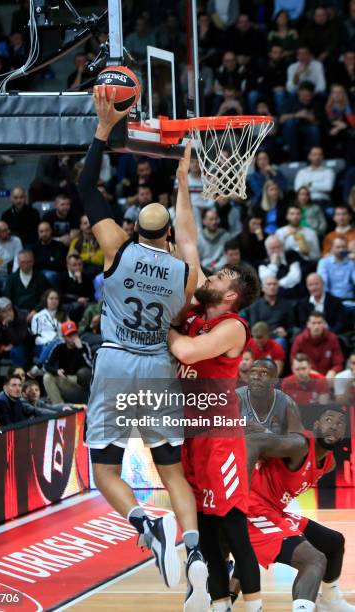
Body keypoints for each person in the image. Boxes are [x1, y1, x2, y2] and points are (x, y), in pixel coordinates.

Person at [79, 87, 210, 609]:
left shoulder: (116, 246)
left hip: (115, 361)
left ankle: (145, 526)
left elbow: (87, 185)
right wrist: (184, 184)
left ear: (135, 228)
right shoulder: (185, 271)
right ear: (168, 239)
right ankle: (195, 555)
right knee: (171, 471)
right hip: (157, 366)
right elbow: (192, 242)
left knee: (106, 471)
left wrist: (103, 129)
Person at [168, 177, 263, 609]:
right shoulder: (201, 308)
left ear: (230, 294)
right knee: (204, 522)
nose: (211, 272)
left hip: (219, 435)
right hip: (191, 428)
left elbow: (186, 349)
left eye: (221, 274)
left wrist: (165, 328)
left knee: (232, 524)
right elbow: (187, 238)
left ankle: (255, 603)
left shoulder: (231, 327)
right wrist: (182, 180)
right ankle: (220, 600)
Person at [233, 408, 355, 612]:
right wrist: (240, 496)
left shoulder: (329, 463)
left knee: (334, 542)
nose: (334, 424)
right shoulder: (298, 445)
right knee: (314, 560)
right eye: (328, 419)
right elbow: (253, 442)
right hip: (252, 508)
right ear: (316, 426)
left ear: (343, 434)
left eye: (340, 423)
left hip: (274, 511)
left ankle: (330, 600)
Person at [237, 359, 302, 434]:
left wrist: (266, 433)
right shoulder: (236, 399)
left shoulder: (287, 403)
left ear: (275, 381)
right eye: (253, 372)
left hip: (274, 445)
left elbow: (300, 440)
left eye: (264, 373)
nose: (256, 377)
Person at [43, 321, 92, 405]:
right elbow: (46, 365)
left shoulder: (84, 346)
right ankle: (59, 406)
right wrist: (56, 371)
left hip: (80, 380)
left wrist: (80, 349)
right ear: (64, 337)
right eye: (69, 335)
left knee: (83, 373)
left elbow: (91, 366)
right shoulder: (59, 346)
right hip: (66, 379)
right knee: (47, 377)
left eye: (74, 334)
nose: (73, 337)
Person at [244, 276, 295, 349]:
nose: (272, 287)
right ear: (262, 288)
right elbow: (254, 327)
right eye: (269, 284)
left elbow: (291, 327)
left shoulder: (286, 305)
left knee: (280, 341)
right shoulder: (256, 305)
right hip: (260, 338)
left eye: (274, 284)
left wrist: (286, 332)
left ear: (278, 287)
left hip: (279, 338)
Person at [291, 312, 344, 379]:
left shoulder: (333, 339)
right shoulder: (300, 340)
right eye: (313, 323)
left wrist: (332, 371)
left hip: (328, 378)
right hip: (307, 376)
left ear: (324, 324)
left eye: (319, 323)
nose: (316, 326)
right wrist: (314, 374)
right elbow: (294, 362)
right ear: (308, 324)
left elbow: (338, 363)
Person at [4, 250, 49, 322]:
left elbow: (45, 297)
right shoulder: (11, 278)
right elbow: (7, 299)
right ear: (18, 262)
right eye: (23, 262)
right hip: (17, 313)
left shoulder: (40, 277)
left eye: (29, 262)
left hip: (37, 313)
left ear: (33, 261)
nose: (26, 265)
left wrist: (36, 311)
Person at [258, 235, 303, 300]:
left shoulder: (291, 257)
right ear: (267, 250)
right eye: (273, 248)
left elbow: (295, 277)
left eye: (278, 247)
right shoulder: (263, 265)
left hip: (294, 296)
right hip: (274, 299)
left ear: (282, 247)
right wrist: (274, 264)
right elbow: (266, 281)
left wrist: (277, 284)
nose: (276, 250)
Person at [30, 289, 66, 360]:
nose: (54, 301)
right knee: (51, 348)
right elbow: (36, 336)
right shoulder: (38, 316)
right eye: (51, 298)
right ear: (46, 300)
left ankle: (40, 366)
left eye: (56, 299)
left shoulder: (64, 315)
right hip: (43, 344)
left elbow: (68, 331)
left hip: (61, 344)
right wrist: (48, 342)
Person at [317, 237, 355, 301]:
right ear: (332, 248)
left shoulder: (351, 263)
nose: (341, 250)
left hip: (349, 298)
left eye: (344, 247)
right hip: (330, 299)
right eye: (338, 247)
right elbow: (323, 283)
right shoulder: (324, 262)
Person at [59, 254, 94, 322]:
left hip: (83, 305)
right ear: (68, 266)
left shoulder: (87, 278)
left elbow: (91, 296)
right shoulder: (61, 277)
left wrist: (80, 281)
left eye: (80, 264)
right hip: (68, 304)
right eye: (74, 265)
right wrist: (77, 299)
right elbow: (60, 295)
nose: (78, 267)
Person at [30, 221, 67, 287]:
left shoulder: (59, 246)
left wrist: (42, 262)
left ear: (51, 231)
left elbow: (59, 264)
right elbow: (33, 265)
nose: (44, 234)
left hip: (56, 274)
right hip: (37, 274)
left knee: (49, 275)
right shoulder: (34, 248)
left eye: (46, 231)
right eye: (41, 231)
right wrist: (49, 260)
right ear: (38, 233)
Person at [197, 209, 231, 273]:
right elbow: (197, 258)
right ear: (204, 221)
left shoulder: (226, 236)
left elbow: (228, 256)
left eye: (216, 219)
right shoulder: (199, 237)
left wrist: (215, 267)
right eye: (211, 219)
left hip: (222, 270)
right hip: (203, 271)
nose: (214, 222)